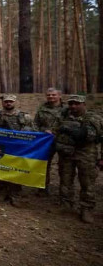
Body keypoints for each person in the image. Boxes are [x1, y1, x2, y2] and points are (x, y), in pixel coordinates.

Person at [51, 95, 100, 223]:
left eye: (76, 104)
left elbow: (95, 137)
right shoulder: (62, 116)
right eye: (71, 104)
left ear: (84, 104)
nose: (73, 106)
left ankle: (86, 208)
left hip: (86, 155)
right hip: (66, 154)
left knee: (87, 182)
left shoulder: (93, 118)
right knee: (65, 180)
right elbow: (54, 130)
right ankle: (66, 204)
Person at [0, 94, 35, 207]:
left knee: (16, 170)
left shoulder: (24, 116)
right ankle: (3, 191)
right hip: (2, 147)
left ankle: (15, 194)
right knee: (2, 169)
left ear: (15, 102)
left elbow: (33, 132)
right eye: (6, 102)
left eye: (10, 101)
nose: (8, 103)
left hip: (17, 149)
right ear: (2, 103)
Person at [34, 88, 64, 196]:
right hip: (45, 142)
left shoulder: (66, 109)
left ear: (59, 95)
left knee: (65, 167)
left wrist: (56, 131)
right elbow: (35, 124)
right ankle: (43, 188)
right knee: (44, 165)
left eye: (54, 95)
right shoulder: (42, 108)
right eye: (49, 95)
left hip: (63, 141)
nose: (51, 97)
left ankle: (64, 193)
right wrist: (43, 132)